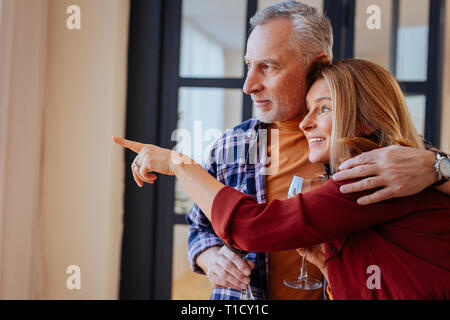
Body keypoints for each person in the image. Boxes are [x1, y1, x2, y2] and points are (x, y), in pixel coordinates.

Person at [118, 1, 449, 300]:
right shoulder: (233, 145)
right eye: (248, 65)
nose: (249, 85)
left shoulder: (377, 155)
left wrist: (438, 165)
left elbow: (253, 227)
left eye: (268, 67)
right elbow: (200, 226)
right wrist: (209, 257)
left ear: (316, 64)